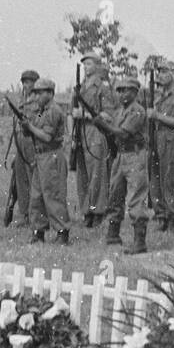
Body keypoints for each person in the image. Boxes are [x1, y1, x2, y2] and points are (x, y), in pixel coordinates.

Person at [97, 77, 153, 253]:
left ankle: (139, 241)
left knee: (136, 196)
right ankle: (113, 234)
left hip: (135, 154)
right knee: (115, 193)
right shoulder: (120, 111)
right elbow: (113, 133)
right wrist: (102, 125)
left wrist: (104, 125)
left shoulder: (137, 111)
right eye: (119, 90)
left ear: (135, 92)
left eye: (126, 90)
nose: (122, 94)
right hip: (121, 155)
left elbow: (122, 133)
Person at [21, 77, 70, 245]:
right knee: (37, 196)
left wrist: (30, 128)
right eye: (36, 93)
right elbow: (34, 130)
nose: (37, 96)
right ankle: (38, 232)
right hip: (41, 157)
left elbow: (47, 136)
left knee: (53, 195)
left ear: (50, 93)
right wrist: (26, 126)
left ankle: (62, 232)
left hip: (51, 155)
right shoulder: (41, 111)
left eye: (41, 93)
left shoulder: (54, 111)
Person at [74, 53, 116, 228]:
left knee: (97, 174)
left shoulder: (102, 87)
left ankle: (98, 211)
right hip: (80, 133)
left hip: (95, 132)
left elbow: (109, 114)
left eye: (89, 64)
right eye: (84, 64)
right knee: (82, 175)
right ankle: (87, 211)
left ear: (98, 66)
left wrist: (85, 115)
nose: (85, 67)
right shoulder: (81, 86)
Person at [147, 59, 174, 231]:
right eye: (159, 72)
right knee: (155, 179)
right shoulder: (159, 95)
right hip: (156, 139)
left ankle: (171, 218)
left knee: (169, 179)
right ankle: (160, 215)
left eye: (164, 71)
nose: (160, 75)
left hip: (171, 140)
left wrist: (157, 116)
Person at [8, 70, 40, 227]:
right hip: (20, 142)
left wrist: (32, 123)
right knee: (21, 179)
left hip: (32, 141)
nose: (26, 85)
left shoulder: (39, 101)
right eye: (24, 82)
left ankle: (35, 213)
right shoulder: (21, 100)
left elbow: (40, 119)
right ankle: (24, 213)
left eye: (29, 82)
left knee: (33, 177)